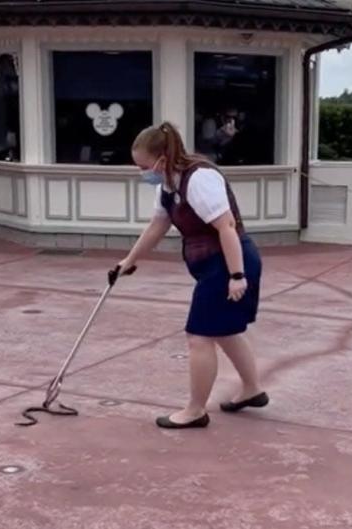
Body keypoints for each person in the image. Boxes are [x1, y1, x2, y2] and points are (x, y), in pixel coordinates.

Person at [119, 121, 269, 429]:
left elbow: (226, 226)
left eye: (145, 166)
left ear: (162, 158)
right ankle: (252, 389)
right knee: (224, 331)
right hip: (213, 264)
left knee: (199, 336)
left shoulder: (199, 178)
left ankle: (195, 410)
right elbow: (157, 226)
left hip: (228, 261)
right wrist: (129, 261)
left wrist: (237, 275)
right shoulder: (168, 184)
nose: (142, 173)